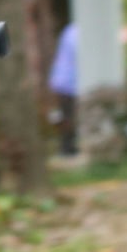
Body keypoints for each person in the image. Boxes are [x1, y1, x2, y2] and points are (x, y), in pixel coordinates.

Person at [49, 19, 80, 156]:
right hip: (67, 83)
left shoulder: (70, 30)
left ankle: (68, 147)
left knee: (66, 115)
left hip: (64, 81)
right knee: (68, 116)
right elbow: (78, 53)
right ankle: (67, 148)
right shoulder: (75, 33)